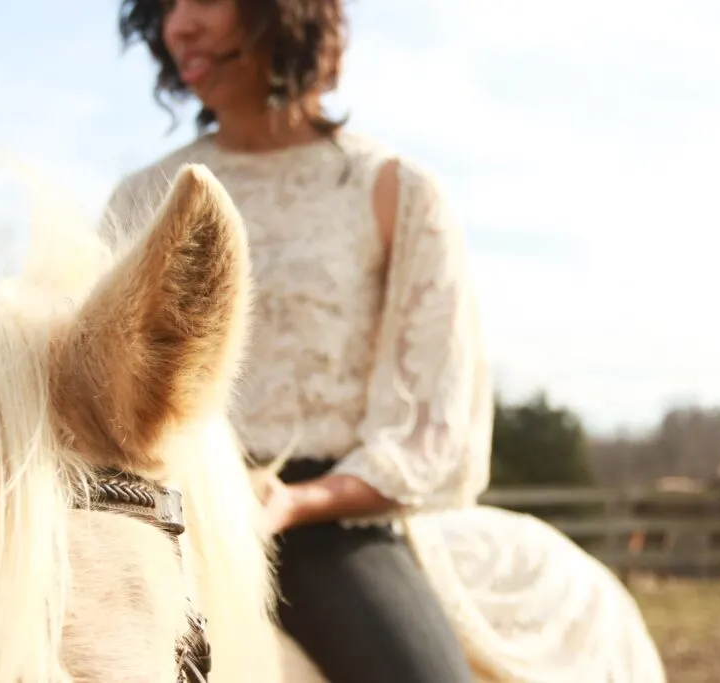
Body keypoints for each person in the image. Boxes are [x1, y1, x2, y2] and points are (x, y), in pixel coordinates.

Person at [101, 1, 489, 681]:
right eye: (165, 8)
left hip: (321, 522)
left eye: (204, 0)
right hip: (158, 515)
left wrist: (297, 501)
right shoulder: (141, 196)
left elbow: (434, 419)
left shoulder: (396, 190)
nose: (178, 26)